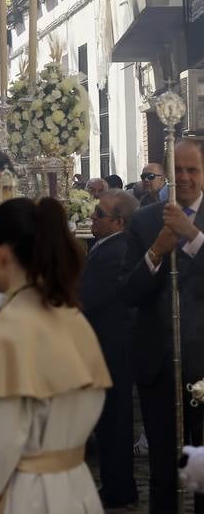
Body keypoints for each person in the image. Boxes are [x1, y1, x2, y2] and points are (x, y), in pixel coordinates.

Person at [0, 196, 111, 514]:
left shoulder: (12, 327)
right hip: (78, 488)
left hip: (30, 496)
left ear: (1, 253)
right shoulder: (70, 315)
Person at [121, 139, 204, 514]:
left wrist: (193, 237)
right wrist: (156, 250)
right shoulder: (144, 220)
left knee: (200, 469)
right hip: (158, 364)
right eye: (179, 170)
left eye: (193, 170)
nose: (185, 178)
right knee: (163, 471)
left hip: (201, 366)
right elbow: (128, 292)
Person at [80, 189, 139, 509]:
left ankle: (118, 488)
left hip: (110, 347)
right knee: (110, 420)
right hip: (108, 344)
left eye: (99, 214)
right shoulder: (108, 247)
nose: (92, 218)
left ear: (117, 222)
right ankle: (118, 484)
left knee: (113, 422)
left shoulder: (113, 252)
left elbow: (88, 299)